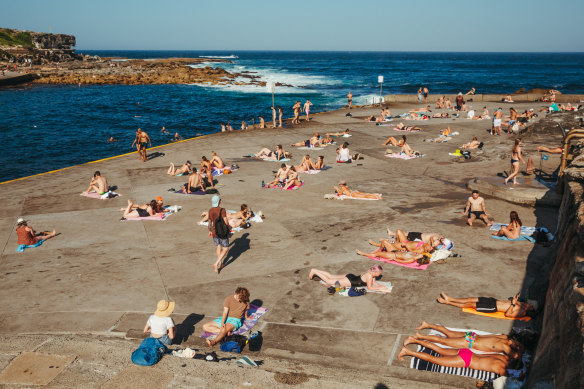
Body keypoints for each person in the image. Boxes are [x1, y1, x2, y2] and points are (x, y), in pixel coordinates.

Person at [398, 337, 509, 376]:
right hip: (466, 361)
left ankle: (413, 340)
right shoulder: (502, 370)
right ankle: (407, 351)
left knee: (439, 349)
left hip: (468, 353)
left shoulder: (504, 358)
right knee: (434, 359)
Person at [414, 321, 523, 356]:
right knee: (444, 340)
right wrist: (520, 352)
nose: (514, 342)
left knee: (447, 333)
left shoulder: (504, 338)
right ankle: (420, 336)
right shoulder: (505, 345)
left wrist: (518, 348)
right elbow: (515, 356)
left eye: (515, 344)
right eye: (516, 342)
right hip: (470, 340)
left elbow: (514, 353)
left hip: (472, 337)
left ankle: (427, 324)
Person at [437, 291, 534, 318]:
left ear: (530, 310)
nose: (529, 304)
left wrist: (513, 304)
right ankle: (450, 298)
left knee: (470, 304)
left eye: (531, 306)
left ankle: (447, 302)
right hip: (493, 300)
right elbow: (512, 301)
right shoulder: (522, 305)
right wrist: (516, 299)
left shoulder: (521, 313)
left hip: (493, 307)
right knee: (470, 299)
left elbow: (508, 314)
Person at [309, 265, 389, 292]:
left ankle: (315, 271)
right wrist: (379, 288)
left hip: (351, 276)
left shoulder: (371, 272)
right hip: (349, 281)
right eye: (379, 273)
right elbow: (369, 287)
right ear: (375, 272)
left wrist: (380, 286)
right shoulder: (369, 276)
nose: (380, 274)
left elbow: (374, 283)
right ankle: (315, 271)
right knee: (329, 281)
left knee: (331, 276)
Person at [208, 195, 230, 273]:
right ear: (219, 201)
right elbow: (226, 221)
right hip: (222, 232)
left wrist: (210, 231)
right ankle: (216, 263)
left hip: (214, 231)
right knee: (226, 248)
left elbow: (209, 222)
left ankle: (221, 263)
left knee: (218, 246)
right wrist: (229, 228)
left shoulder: (210, 210)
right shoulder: (222, 210)